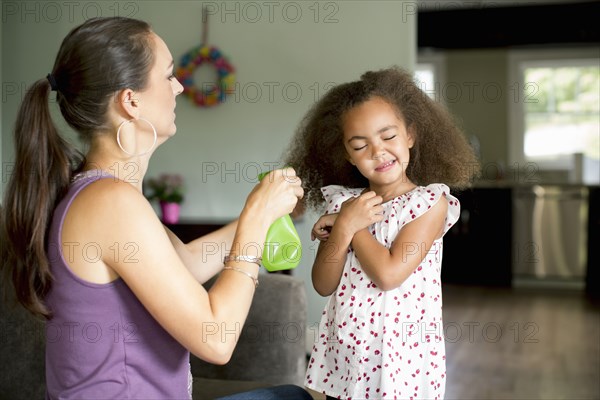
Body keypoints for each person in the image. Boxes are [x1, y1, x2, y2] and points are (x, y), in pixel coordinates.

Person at [0, 17, 311, 400]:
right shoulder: (111, 203)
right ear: (130, 100)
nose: (179, 86)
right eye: (168, 76)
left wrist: (262, 213)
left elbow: (186, 265)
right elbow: (216, 340)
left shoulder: (101, 193)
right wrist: (258, 220)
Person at [284, 67, 480, 399]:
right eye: (360, 145)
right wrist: (345, 222)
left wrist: (349, 225)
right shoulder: (345, 201)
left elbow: (389, 274)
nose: (378, 151)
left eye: (388, 137)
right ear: (347, 153)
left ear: (410, 136)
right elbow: (323, 283)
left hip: (400, 358)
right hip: (346, 350)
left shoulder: (429, 203)